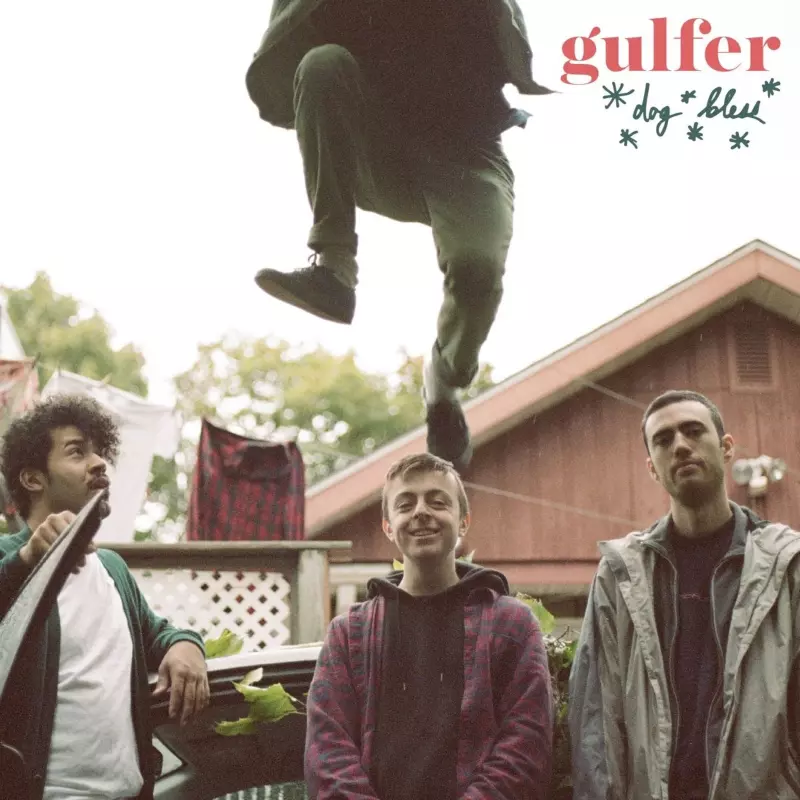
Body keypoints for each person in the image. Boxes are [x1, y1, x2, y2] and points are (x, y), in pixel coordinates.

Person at [245, 0, 553, 472]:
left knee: (477, 268)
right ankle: (333, 268)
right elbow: (291, 85)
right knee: (322, 64)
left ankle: (444, 380)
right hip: (380, 151)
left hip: (466, 151)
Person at [568, 389, 800, 799]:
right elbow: (595, 718)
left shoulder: (786, 566)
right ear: (652, 468)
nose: (679, 446)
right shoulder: (621, 575)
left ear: (726, 447)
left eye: (693, 431)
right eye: (663, 439)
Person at [304, 452, 554, 800]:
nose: (421, 512)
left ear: (463, 521)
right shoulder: (348, 635)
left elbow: (526, 745)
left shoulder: (512, 626)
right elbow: (328, 751)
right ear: (388, 527)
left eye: (438, 502)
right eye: (405, 504)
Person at [0, 394, 209, 800]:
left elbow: (158, 634)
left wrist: (186, 646)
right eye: (77, 452)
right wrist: (28, 559)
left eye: (99, 452)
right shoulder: (11, 558)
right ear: (33, 479)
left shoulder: (112, 568)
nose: (99, 463)